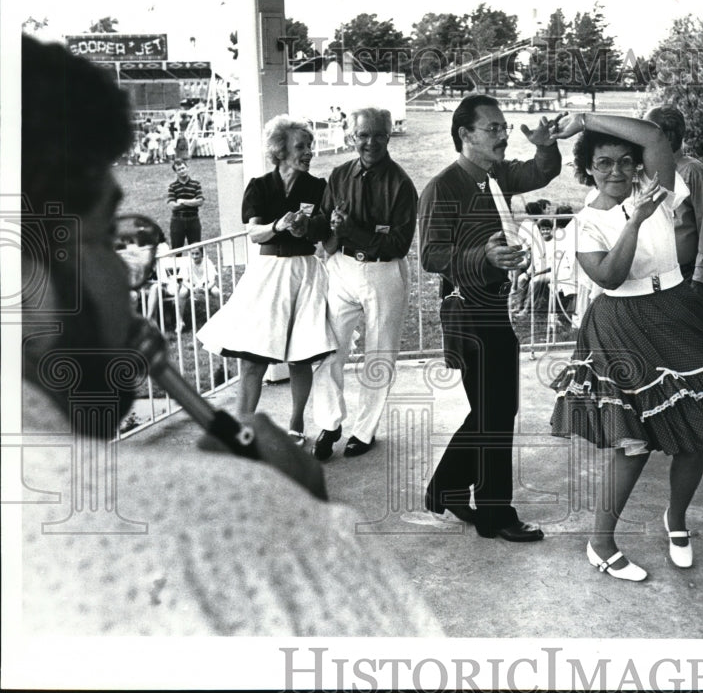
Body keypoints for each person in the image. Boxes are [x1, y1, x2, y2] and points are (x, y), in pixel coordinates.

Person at [16, 35, 441, 637]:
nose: (127, 276)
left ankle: (330, 423)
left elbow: (370, 235)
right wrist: (294, 520)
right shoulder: (227, 524)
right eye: (111, 234)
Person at [548, 112, 703, 580]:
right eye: (604, 163)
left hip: (676, 310)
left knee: (697, 430)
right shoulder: (585, 223)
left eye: (626, 162)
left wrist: (584, 119)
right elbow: (609, 275)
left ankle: (677, 518)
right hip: (622, 324)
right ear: (587, 168)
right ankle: (601, 542)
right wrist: (636, 221)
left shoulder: (659, 190)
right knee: (634, 443)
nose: (617, 171)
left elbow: (651, 135)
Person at [418, 94, 561, 542]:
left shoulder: (495, 174)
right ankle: (496, 515)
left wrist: (543, 145)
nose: (502, 135)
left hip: (495, 310)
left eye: (503, 128)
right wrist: (485, 254)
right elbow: (430, 255)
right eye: (493, 128)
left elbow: (541, 172)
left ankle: (447, 487)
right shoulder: (444, 187)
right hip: (469, 313)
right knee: (494, 412)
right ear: (465, 135)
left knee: (495, 410)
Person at [197, 115, 336, 445]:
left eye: (309, 147)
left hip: (304, 273)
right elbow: (254, 233)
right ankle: (242, 429)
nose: (308, 153)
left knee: (301, 356)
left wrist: (320, 227)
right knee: (252, 359)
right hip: (268, 275)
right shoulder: (260, 186)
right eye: (300, 147)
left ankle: (297, 422)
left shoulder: (318, 187)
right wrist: (278, 225)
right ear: (280, 151)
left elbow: (326, 234)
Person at [310, 107, 418, 460]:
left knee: (379, 354)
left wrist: (353, 230)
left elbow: (397, 245)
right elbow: (323, 222)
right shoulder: (340, 175)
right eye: (362, 135)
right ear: (351, 136)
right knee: (328, 349)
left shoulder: (401, 184)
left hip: (382, 272)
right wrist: (306, 227)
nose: (369, 142)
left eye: (378, 134)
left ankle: (364, 430)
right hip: (341, 269)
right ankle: (329, 423)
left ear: (389, 135)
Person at [644, 106, 703, 312]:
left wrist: (702, 274)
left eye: (649, 132)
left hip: (689, 275)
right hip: (658, 275)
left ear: (668, 137)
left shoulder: (692, 171)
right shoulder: (650, 173)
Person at [167, 159, 204, 248]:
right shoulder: (172, 186)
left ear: (187, 168)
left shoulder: (196, 184)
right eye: (179, 170)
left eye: (183, 168)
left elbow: (200, 201)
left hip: (193, 220)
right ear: (176, 172)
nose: (182, 171)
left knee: (196, 249)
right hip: (178, 221)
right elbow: (173, 206)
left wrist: (182, 201)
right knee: (176, 250)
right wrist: (192, 202)